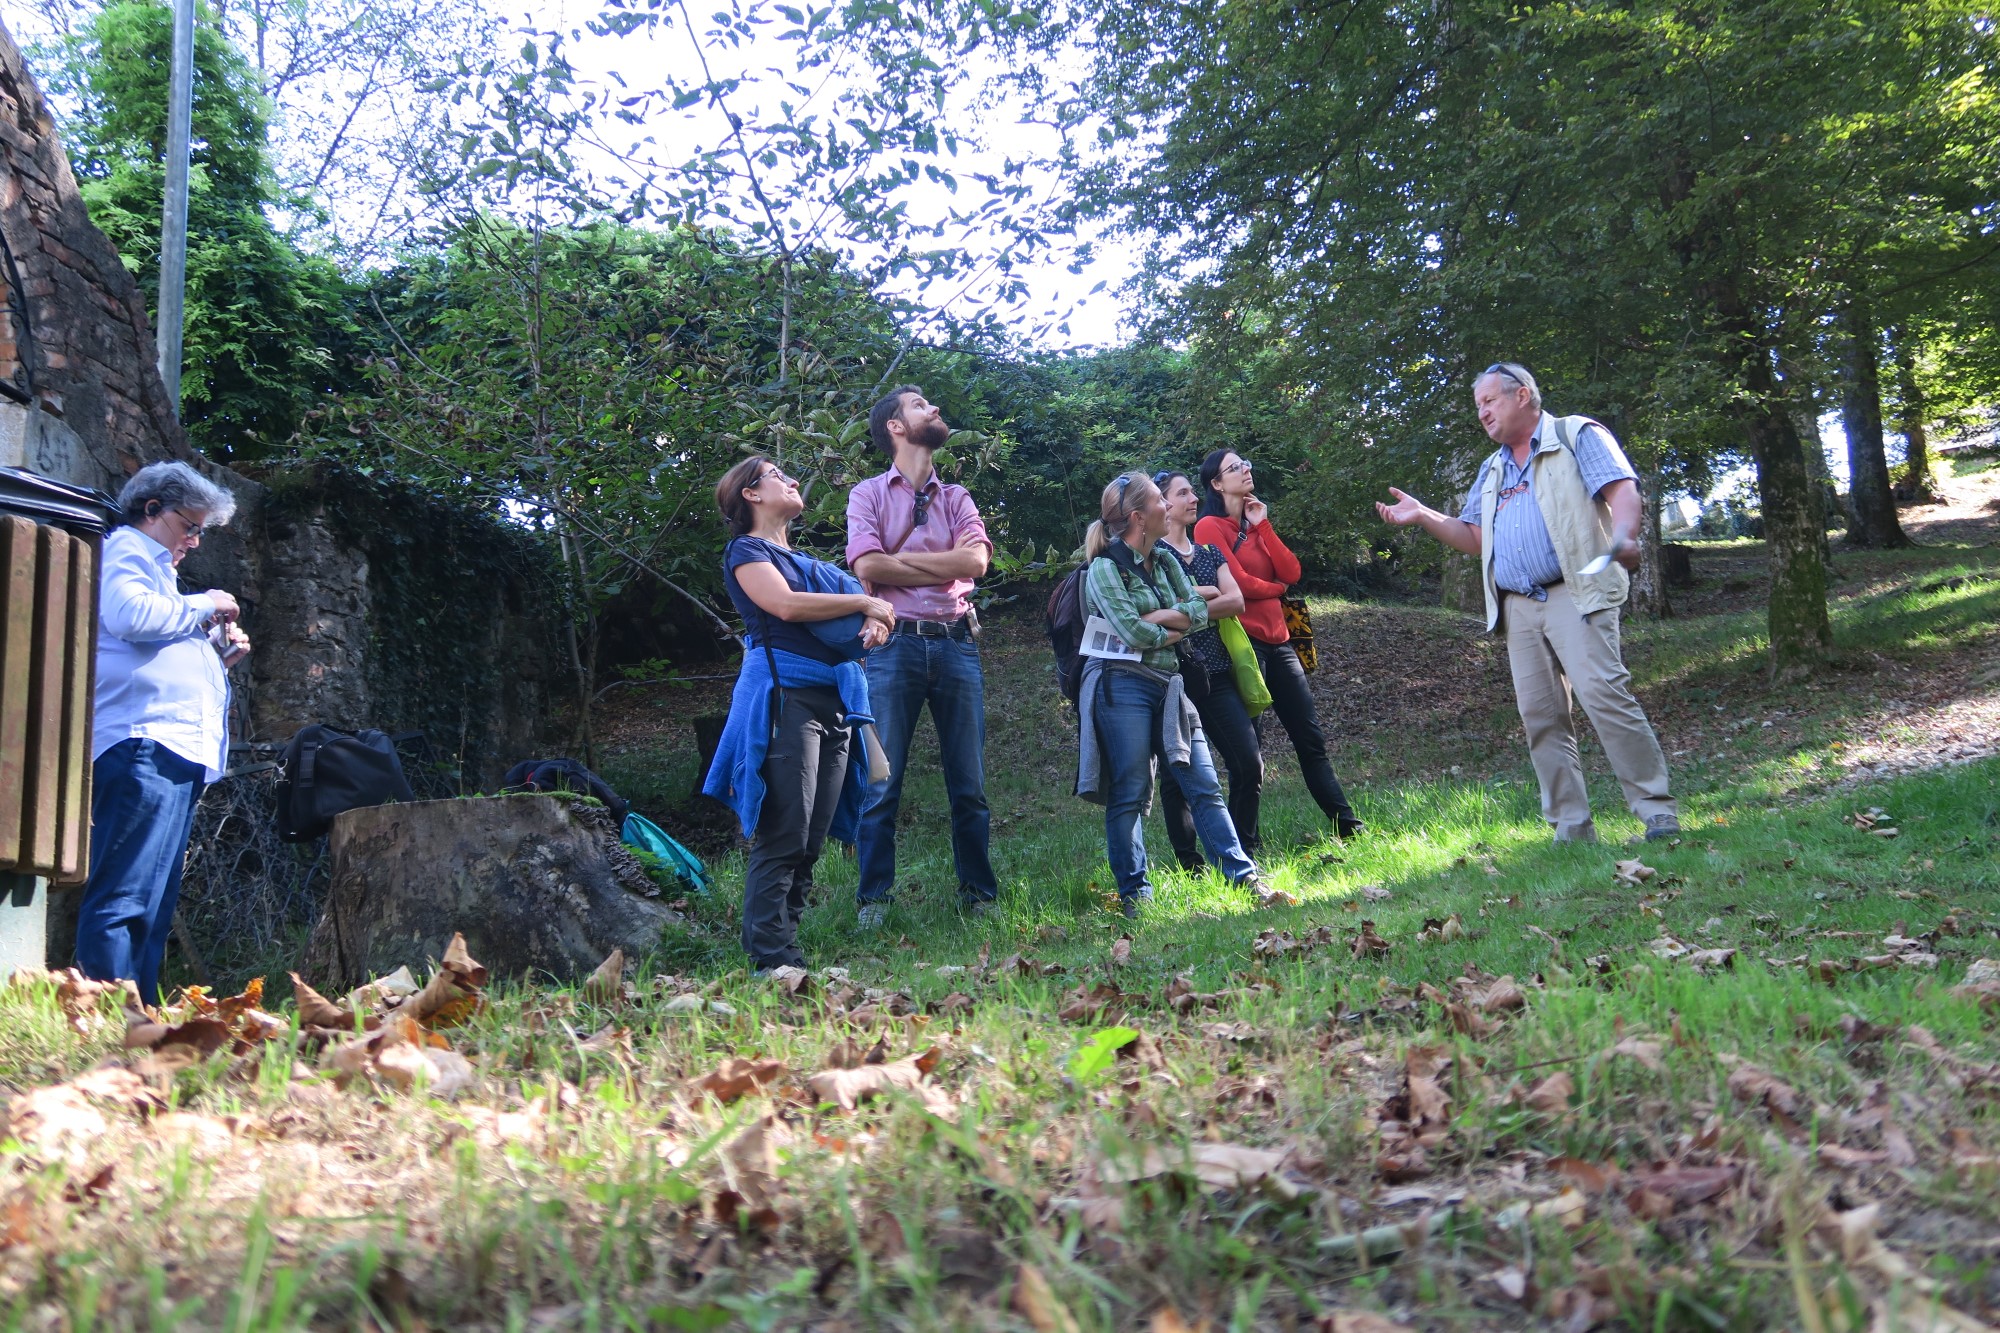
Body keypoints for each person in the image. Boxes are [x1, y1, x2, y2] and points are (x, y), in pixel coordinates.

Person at [1374, 362, 1679, 844]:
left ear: (1522, 395)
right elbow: (1476, 538)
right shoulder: (1492, 468)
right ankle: (1571, 829)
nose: (1482, 413)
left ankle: (1656, 811)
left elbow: (1622, 489)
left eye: (1489, 401)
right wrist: (1424, 515)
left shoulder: (1576, 435)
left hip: (1575, 594)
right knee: (1541, 718)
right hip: (1517, 606)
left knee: (1605, 698)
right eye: (1478, 405)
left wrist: (1624, 535)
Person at [704, 455, 895, 974]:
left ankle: (788, 953)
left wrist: (875, 622)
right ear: (750, 494)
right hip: (784, 700)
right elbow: (785, 605)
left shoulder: (815, 566)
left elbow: (865, 612)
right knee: (785, 831)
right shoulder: (745, 550)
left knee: (811, 838)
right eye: (777, 475)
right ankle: (769, 959)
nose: (791, 480)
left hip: (836, 704)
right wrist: (865, 606)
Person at [1074, 471, 1287, 918]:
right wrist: (1174, 621)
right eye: (1160, 499)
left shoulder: (1166, 561)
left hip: (1170, 683)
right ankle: (1137, 897)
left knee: (1204, 784)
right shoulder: (1104, 568)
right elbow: (1133, 632)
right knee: (1130, 792)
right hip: (1121, 683)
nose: (1168, 506)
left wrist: (1160, 619)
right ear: (1139, 516)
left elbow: (1198, 612)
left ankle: (1243, 879)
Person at [79, 460, 250, 1008]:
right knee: (126, 892)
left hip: (168, 748)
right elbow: (131, 617)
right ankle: (109, 1014)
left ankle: (140, 1014)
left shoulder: (159, 573)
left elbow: (150, 642)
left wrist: (216, 657)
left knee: (152, 900)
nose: (194, 541)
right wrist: (208, 601)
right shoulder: (127, 548)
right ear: (152, 509)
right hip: (143, 743)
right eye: (189, 526)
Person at [844, 385, 998, 927]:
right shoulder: (867, 494)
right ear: (895, 426)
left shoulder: (956, 497)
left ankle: (978, 896)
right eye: (918, 405)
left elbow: (975, 564)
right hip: (893, 645)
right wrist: (941, 563)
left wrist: (898, 564)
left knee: (970, 785)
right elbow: (866, 566)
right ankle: (874, 901)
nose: (933, 408)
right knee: (882, 782)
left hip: (957, 643)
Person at [1195, 449, 1365, 841]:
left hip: (1281, 644)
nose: (1245, 470)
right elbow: (1238, 584)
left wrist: (1264, 525)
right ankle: (1244, 846)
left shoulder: (1254, 523)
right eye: (1234, 467)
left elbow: (1292, 570)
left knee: (1310, 739)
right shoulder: (1208, 527)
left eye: (1245, 464)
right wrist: (1277, 589)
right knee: (1249, 754)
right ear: (1217, 483)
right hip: (1246, 646)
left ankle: (1347, 824)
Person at [1150, 469, 1266, 868]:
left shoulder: (1210, 553)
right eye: (1182, 493)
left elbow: (1236, 601)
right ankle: (1190, 864)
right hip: (1169, 678)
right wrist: (1208, 595)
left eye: (1192, 492)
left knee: (1249, 764)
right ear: (1163, 503)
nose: (1193, 499)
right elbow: (1153, 605)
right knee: (1176, 775)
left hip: (1216, 674)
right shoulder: (1151, 556)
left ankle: (1241, 850)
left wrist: (1185, 608)